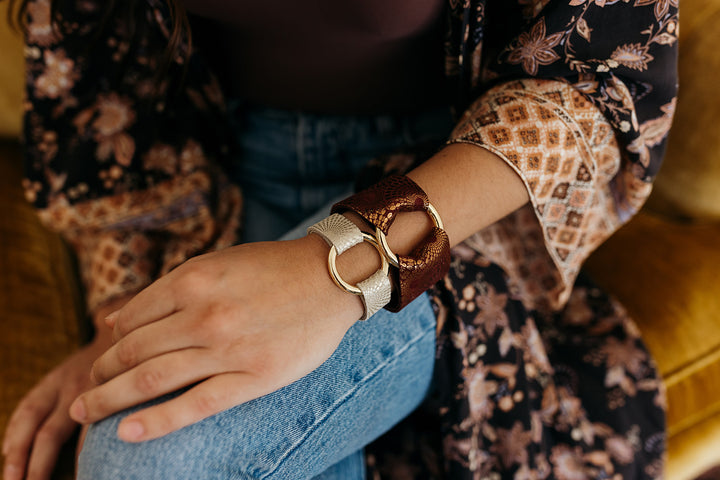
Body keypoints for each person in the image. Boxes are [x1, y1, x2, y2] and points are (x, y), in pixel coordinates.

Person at [2, 0, 678, 478]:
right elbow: (92, 83)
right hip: (227, 186)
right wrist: (123, 318)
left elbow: (602, 80)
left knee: (149, 459)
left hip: (457, 191)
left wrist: (343, 264)